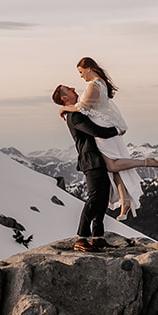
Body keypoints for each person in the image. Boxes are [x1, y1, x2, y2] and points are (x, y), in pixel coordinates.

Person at [56, 57, 158, 219]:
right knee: (112, 167)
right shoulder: (99, 83)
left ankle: (149, 162)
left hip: (103, 131)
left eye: (81, 72)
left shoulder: (94, 85)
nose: (81, 76)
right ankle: (125, 202)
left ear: (89, 68)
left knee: (112, 165)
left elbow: (83, 108)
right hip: (105, 127)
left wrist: (64, 108)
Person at [53, 84, 123, 251]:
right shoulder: (74, 116)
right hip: (91, 160)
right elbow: (96, 131)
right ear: (64, 98)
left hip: (97, 159)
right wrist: (117, 129)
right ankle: (81, 238)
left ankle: (98, 236)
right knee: (94, 198)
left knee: (102, 197)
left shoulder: (74, 112)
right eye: (69, 89)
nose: (74, 89)